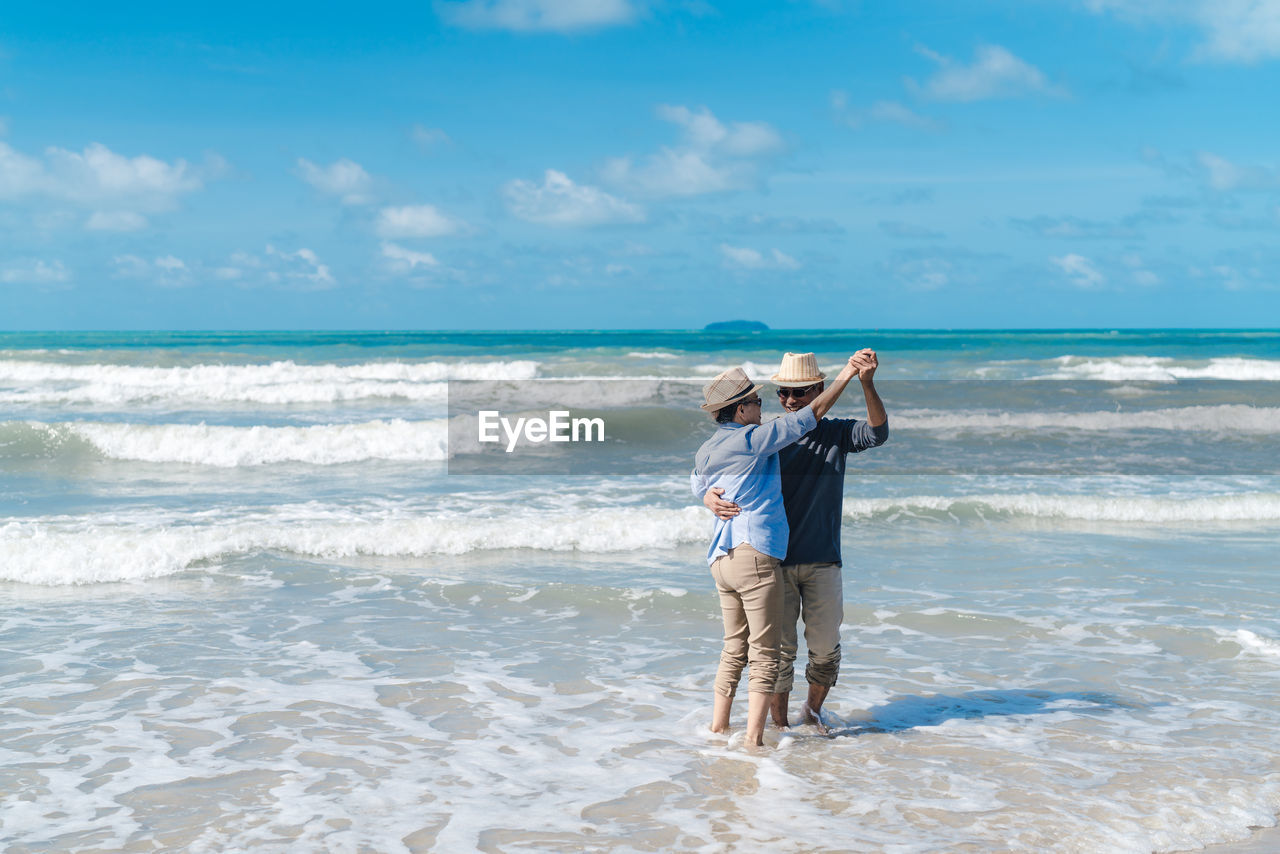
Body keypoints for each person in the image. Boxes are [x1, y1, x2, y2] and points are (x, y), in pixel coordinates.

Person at [704, 350, 887, 732]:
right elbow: (712, 467)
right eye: (783, 393)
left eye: (800, 393)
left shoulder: (835, 432)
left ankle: (812, 714)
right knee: (777, 653)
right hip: (775, 560)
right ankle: (781, 727)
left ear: (817, 390)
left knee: (824, 649)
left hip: (823, 557)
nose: (789, 400)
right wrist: (706, 495)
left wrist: (866, 383)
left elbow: (877, 433)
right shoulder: (767, 437)